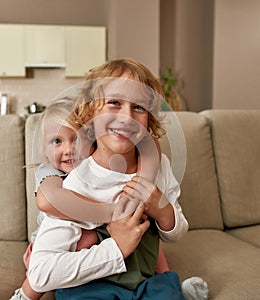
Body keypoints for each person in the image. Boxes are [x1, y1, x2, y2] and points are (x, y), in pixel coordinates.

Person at [28, 58, 199, 299]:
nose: (127, 117)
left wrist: (162, 211)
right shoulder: (78, 183)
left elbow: (177, 231)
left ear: (148, 118)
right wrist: (116, 248)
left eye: (139, 107)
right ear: (90, 114)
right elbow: (40, 274)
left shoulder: (159, 167)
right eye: (114, 103)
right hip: (91, 287)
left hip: (146, 283)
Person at [11, 97, 170, 300]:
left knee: (143, 225)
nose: (68, 150)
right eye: (57, 141)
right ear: (45, 149)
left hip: (101, 233)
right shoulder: (49, 171)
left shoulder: (98, 162)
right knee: (87, 239)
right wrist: (115, 212)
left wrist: (143, 179)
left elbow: (149, 141)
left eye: (76, 138)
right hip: (60, 241)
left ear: (93, 140)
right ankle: (24, 296)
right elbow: (47, 200)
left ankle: (167, 278)